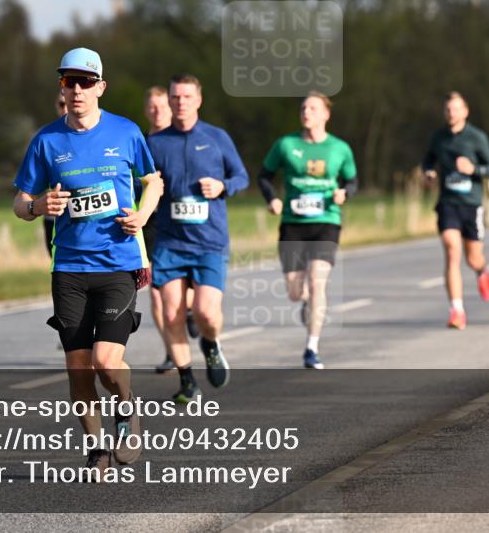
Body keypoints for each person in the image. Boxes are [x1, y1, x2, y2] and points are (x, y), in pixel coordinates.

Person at [13, 47, 163, 476]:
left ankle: (127, 409)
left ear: (100, 87)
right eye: (67, 81)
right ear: (62, 87)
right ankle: (96, 447)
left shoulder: (126, 132)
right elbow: (19, 202)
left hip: (117, 262)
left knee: (106, 362)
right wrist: (38, 205)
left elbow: (152, 182)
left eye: (84, 82)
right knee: (78, 369)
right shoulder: (46, 140)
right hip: (69, 270)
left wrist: (143, 214)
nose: (75, 90)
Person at [147, 73, 248, 402]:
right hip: (170, 242)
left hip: (209, 242)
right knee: (172, 310)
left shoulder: (217, 137)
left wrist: (223, 187)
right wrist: (149, 186)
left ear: (198, 100)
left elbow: (241, 175)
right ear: (170, 101)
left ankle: (211, 343)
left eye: (187, 97)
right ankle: (187, 382)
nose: (181, 103)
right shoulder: (157, 144)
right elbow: (140, 186)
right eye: (175, 97)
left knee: (205, 313)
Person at [258, 91, 358, 369]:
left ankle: (311, 347)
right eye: (303, 107)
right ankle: (305, 301)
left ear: (326, 114)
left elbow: (352, 181)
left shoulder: (340, 148)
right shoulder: (285, 145)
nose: (306, 112)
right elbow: (264, 176)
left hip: (327, 222)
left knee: (317, 282)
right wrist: (273, 199)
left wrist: (344, 194)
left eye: (313, 108)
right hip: (292, 224)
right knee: (294, 290)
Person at [420, 92, 489, 330]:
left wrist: (473, 169)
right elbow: (427, 161)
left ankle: (482, 271)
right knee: (451, 250)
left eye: (455, 109)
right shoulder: (438, 137)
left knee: (473, 258)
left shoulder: (476, 137)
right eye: (447, 110)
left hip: (472, 204)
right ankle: (457, 310)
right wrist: (429, 173)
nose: (451, 113)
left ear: (465, 111)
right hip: (448, 203)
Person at [140, 86, 198, 375]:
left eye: (161, 106)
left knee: (184, 287)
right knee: (155, 292)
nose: (157, 111)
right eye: (152, 106)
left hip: (180, 221)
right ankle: (170, 351)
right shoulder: (139, 141)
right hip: (148, 223)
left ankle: (189, 312)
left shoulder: (181, 139)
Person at [43, 92, 68, 257]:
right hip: (53, 218)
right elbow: (29, 186)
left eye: (67, 103)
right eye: (61, 104)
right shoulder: (44, 139)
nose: (65, 108)